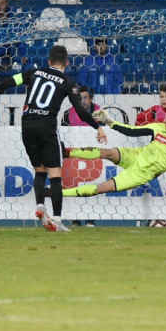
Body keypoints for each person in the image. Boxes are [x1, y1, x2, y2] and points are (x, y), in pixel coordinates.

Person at [0, 45, 106, 232]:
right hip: (47, 126)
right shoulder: (68, 82)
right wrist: (97, 127)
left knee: (39, 171)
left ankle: (40, 205)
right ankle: (58, 221)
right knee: (55, 175)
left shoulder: (34, 73)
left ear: (49, 61)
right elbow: (79, 109)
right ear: (67, 63)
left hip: (27, 125)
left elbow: (9, 82)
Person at [58, 108, 166, 211]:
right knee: (108, 152)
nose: (164, 119)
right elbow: (131, 131)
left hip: (143, 173)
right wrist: (108, 121)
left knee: (104, 186)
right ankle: (65, 152)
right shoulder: (158, 127)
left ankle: (58, 193)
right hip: (138, 156)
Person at [61, 85, 102, 227]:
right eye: (80, 98)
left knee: (92, 186)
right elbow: (63, 134)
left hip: (93, 154)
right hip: (74, 155)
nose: (82, 101)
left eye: (85, 98)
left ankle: (91, 218)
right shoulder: (68, 113)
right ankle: (75, 218)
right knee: (73, 185)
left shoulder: (99, 112)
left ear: (91, 99)